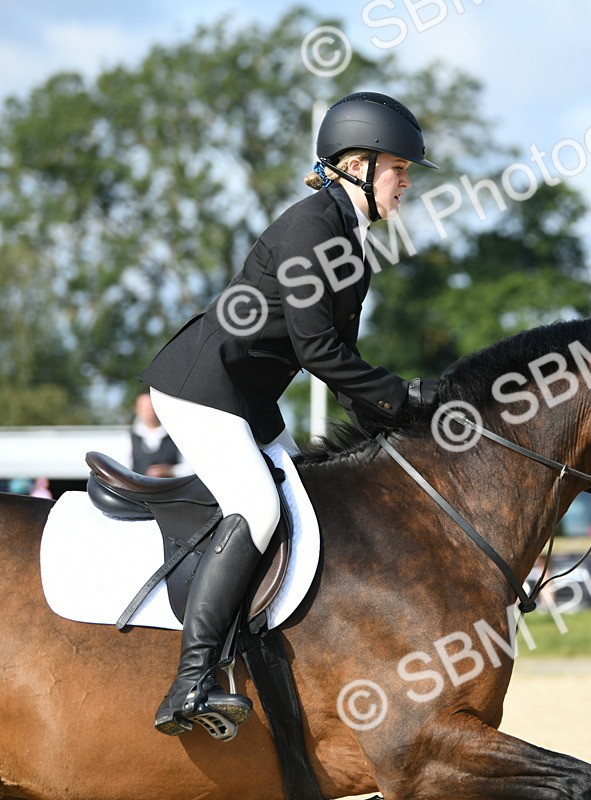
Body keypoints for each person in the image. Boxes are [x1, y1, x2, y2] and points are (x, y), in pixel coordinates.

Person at [138, 91, 440, 737]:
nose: (407, 182)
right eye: (399, 169)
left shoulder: (349, 237)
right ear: (357, 166)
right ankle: (190, 682)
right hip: (202, 388)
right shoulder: (313, 229)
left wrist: (396, 422)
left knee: (308, 501)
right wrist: (403, 397)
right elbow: (318, 351)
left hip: (248, 397)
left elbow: (342, 357)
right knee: (259, 507)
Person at [131, 390, 186, 477]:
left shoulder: (176, 435)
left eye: (150, 406)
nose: (148, 410)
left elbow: (191, 468)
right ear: (137, 409)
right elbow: (123, 470)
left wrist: (171, 471)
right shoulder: (128, 438)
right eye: (143, 407)